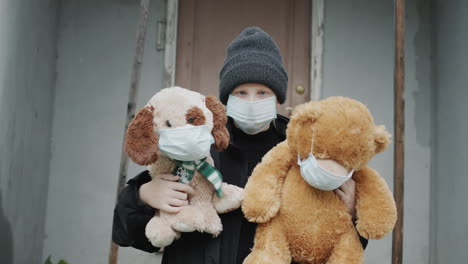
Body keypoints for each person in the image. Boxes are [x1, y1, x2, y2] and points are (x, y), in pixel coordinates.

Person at [112, 27, 367, 264]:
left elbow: (335, 240)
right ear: (226, 97)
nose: (252, 100)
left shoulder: (305, 151)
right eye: (241, 92)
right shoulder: (195, 141)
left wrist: (354, 212)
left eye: (263, 92)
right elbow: (124, 233)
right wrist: (144, 196)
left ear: (278, 96)